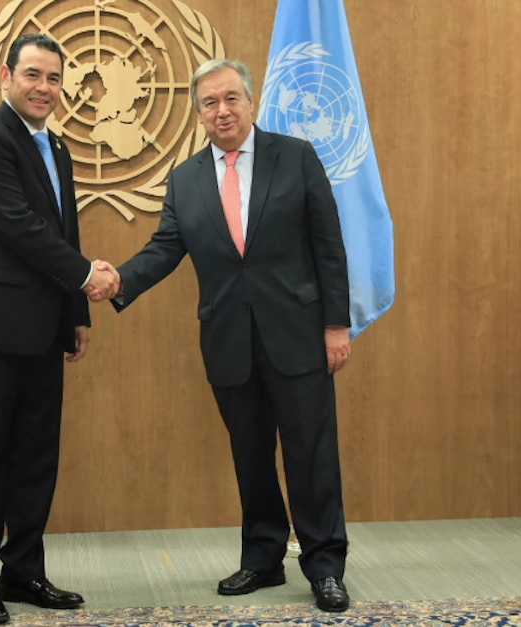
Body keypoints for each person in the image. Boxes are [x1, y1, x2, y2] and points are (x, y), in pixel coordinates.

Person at [97, 58, 352, 612]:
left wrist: (335, 324)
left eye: (231, 98)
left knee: (311, 455)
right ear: (198, 114)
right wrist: (119, 279)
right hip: (229, 338)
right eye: (209, 103)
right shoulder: (185, 178)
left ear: (251, 103)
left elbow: (328, 244)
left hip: (298, 334)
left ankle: (325, 566)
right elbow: (166, 248)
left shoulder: (296, 156)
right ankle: (262, 559)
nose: (222, 111)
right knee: (250, 456)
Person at [0, 33, 119, 625]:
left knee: (36, 458)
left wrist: (77, 314)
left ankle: (22, 571)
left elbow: (63, 231)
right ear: (6, 76)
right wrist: (87, 275)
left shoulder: (58, 147)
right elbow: (19, 226)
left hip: (44, 330)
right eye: (33, 75)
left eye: (53, 78)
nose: (44, 88)